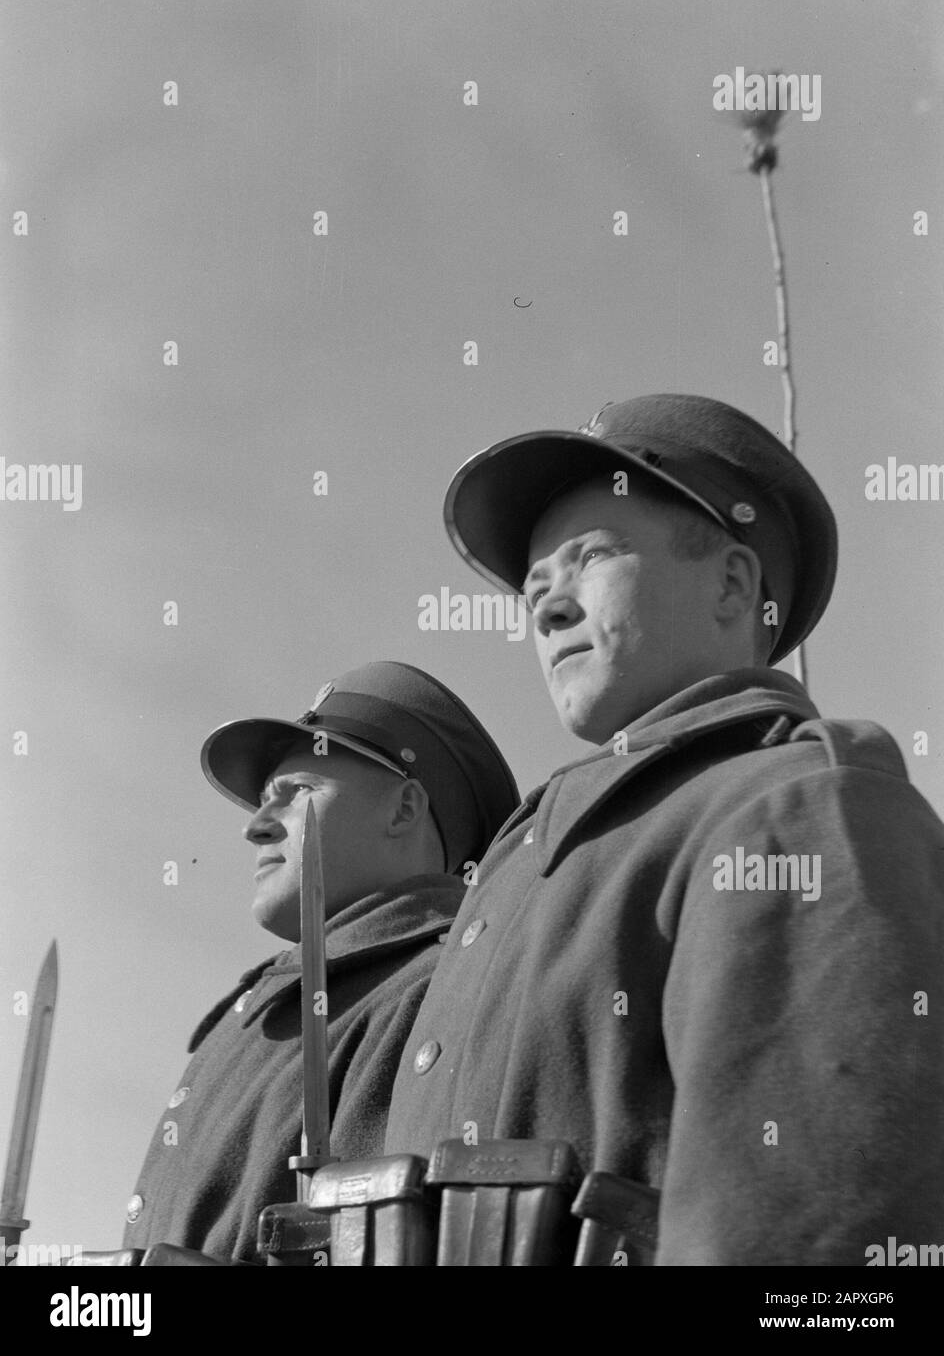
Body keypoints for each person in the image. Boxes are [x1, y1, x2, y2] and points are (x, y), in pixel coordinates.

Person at [383, 394, 944, 1266]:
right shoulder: (524, 870)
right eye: (533, 590)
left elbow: (820, 1255)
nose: (548, 609)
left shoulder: (792, 806)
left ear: (731, 584)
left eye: (590, 559)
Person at [121, 660, 518, 1264]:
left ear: (404, 810)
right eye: (262, 803)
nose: (255, 828)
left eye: (296, 793)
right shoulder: (254, 1013)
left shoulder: (452, 990)